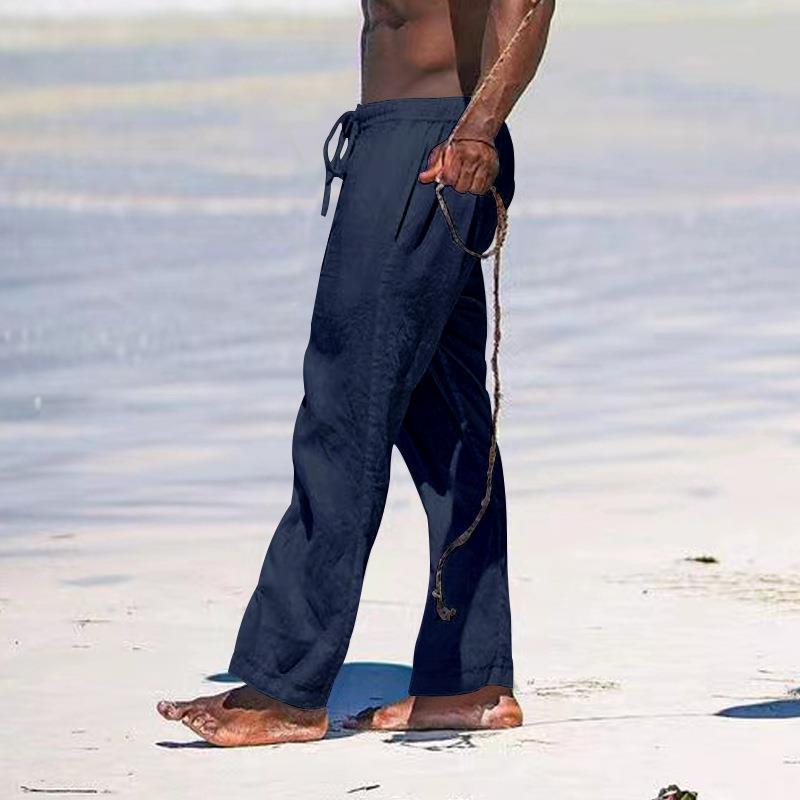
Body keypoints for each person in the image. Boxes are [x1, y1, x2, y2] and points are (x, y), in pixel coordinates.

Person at [157, 0, 555, 746]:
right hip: (402, 136)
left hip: (436, 144)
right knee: (447, 426)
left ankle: (287, 687)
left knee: (344, 407)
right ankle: (470, 680)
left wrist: (478, 128)